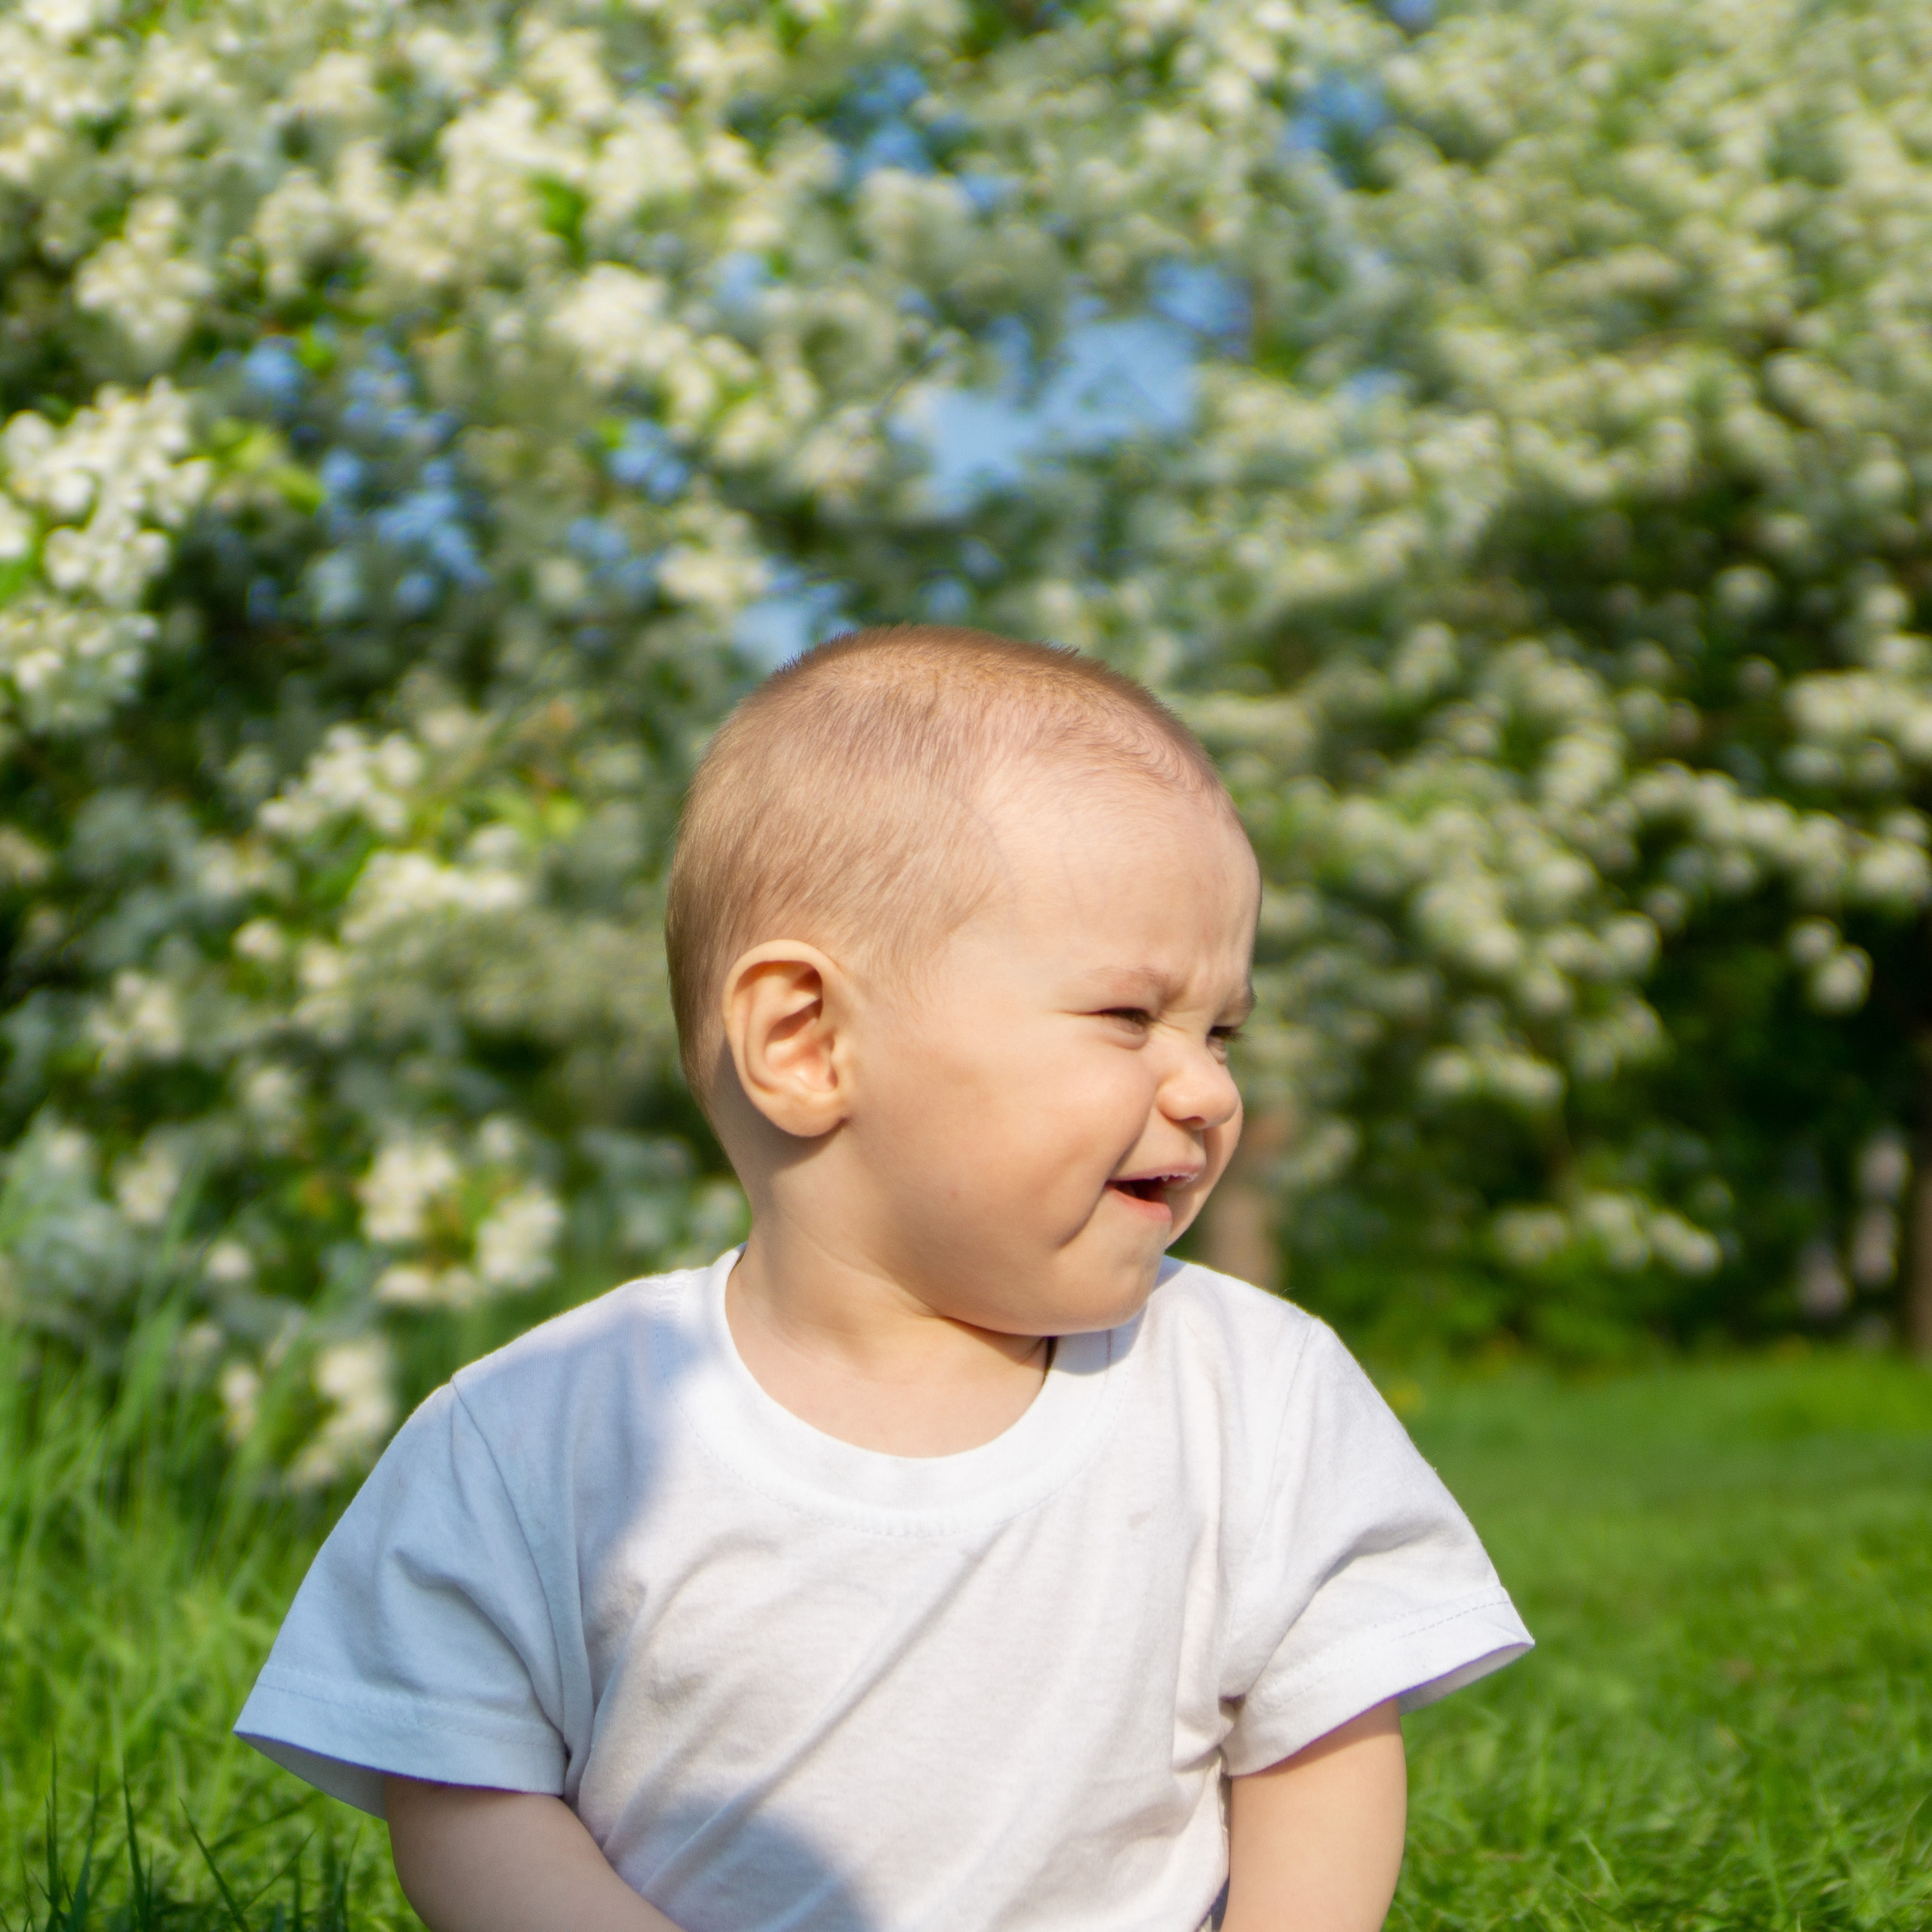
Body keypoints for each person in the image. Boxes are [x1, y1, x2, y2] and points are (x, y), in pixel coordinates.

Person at [235, 626, 1531, 1932]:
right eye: (1129, 1018)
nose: (1206, 1089)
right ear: (807, 1043)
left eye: (1223, 1029)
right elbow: (462, 1795)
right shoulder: (542, 1437)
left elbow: (1320, 1746)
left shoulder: (1257, 1395)